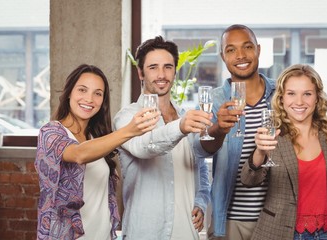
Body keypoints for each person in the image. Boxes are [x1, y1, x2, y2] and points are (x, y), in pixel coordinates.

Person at [35, 64, 160, 239]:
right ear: (69, 92)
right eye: (82, 90)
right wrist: (130, 130)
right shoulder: (51, 132)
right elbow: (79, 154)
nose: (89, 99)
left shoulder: (97, 136)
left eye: (98, 93)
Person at [241, 64, 327, 239]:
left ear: (317, 98)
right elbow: (249, 180)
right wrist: (259, 152)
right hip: (279, 232)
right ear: (281, 98)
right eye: (291, 93)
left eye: (307, 94)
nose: (299, 102)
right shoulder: (271, 134)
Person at [113, 36, 212, 240]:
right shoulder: (127, 117)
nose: (161, 74)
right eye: (153, 67)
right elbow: (145, 147)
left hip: (187, 233)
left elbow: (200, 169)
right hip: (145, 232)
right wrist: (180, 127)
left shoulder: (187, 116)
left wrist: (201, 202)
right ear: (140, 72)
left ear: (175, 71)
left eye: (168, 67)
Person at [196, 24, 276, 239]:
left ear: (258, 49)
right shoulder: (214, 100)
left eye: (247, 47)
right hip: (230, 220)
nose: (241, 55)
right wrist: (219, 129)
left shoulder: (281, 96)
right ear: (223, 56)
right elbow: (199, 149)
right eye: (231, 50)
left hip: (277, 218)